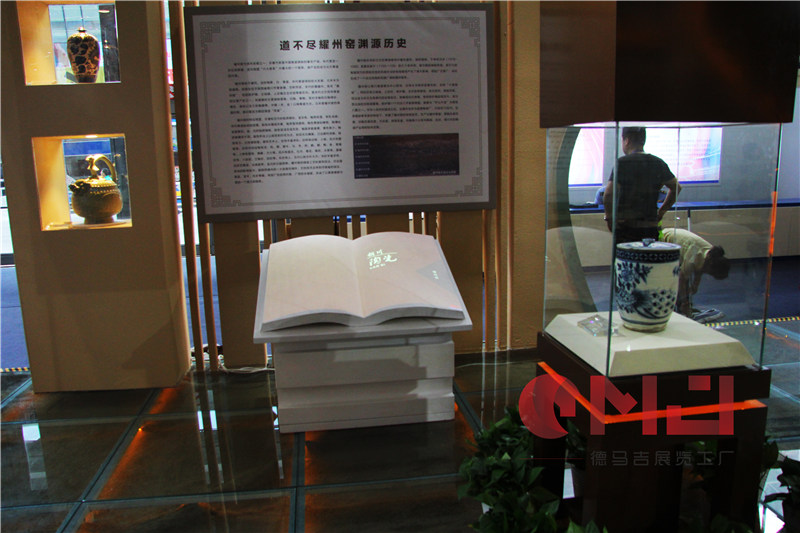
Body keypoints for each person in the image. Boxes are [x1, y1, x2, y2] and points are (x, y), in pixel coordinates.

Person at [603, 127, 681, 244]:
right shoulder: (657, 162)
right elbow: (676, 187)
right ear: (643, 140)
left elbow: (609, 194)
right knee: (647, 255)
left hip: (626, 228)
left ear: (627, 140)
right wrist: (661, 212)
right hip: (649, 227)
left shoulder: (623, 163)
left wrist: (610, 218)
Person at [661, 227, 730, 323]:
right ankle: (678, 308)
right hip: (664, 240)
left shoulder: (711, 254)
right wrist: (685, 301)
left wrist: (695, 286)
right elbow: (682, 278)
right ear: (710, 267)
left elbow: (700, 268)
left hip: (677, 238)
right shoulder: (693, 258)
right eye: (710, 273)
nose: (708, 274)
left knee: (686, 282)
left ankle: (682, 306)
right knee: (678, 280)